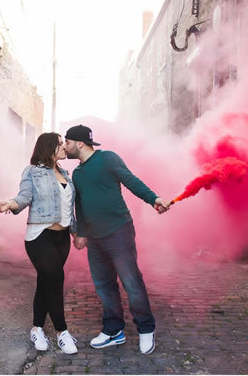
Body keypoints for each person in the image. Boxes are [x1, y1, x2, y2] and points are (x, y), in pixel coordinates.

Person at [64, 124, 170, 355]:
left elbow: (131, 181)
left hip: (118, 231)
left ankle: (146, 329)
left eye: (67, 142)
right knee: (104, 286)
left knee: (131, 282)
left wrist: (154, 199)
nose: (65, 146)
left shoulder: (108, 159)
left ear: (79, 143)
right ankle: (114, 331)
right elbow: (79, 205)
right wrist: (81, 233)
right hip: (94, 237)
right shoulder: (77, 173)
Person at [0, 132, 78, 354]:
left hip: (62, 238)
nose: (64, 148)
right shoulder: (32, 172)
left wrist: (76, 233)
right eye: (60, 144)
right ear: (49, 148)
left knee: (45, 283)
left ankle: (37, 329)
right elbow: (24, 197)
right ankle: (62, 332)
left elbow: (69, 208)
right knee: (56, 281)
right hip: (40, 237)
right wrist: (9, 204)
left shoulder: (66, 174)